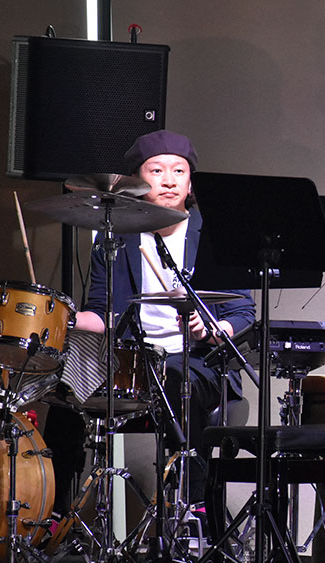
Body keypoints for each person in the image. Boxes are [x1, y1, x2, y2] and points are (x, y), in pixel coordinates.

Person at [69, 129, 256, 504]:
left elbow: (242, 311)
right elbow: (104, 314)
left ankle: (192, 502)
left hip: (200, 364)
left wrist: (213, 329)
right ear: (136, 182)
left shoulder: (214, 234)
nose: (169, 180)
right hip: (132, 364)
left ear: (190, 182)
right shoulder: (115, 239)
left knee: (175, 376)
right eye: (156, 171)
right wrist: (67, 320)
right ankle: (58, 511)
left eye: (179, 171)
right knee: (66, 389)